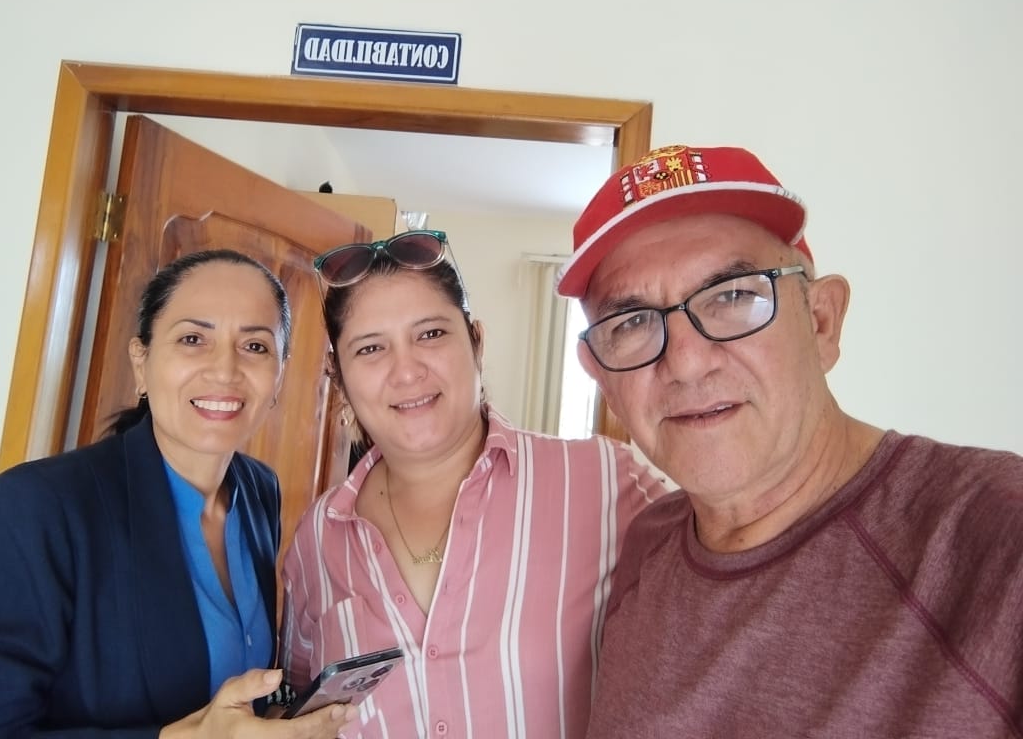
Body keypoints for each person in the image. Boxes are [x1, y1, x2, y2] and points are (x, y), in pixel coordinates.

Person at [555, 145, 1023, 738]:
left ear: (822, 321)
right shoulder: (646, 547)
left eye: (733, 296)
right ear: (601, 376)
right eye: (633, 322)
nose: (687, 363)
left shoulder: (992, 535)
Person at [0, 249, 357, 738]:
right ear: (141, 363)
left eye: (254, 346)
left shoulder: (258, 491)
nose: (225, 370)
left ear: (280, 373)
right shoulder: (32, 510)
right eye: (193, 339)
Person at [279, 229, 668, 739]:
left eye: (430, 334)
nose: (406, 371)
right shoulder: (318, 537)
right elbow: (302, 712)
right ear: (340, 377)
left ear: (476, 342)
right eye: (370, 348)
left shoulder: (600, 481)